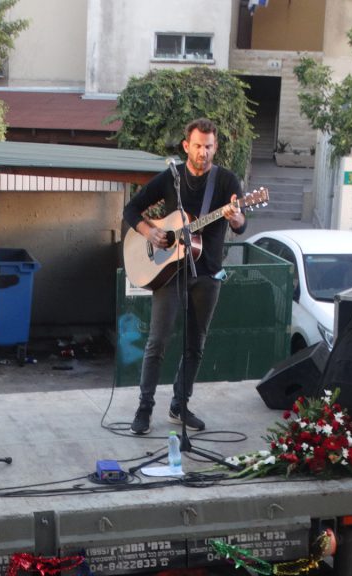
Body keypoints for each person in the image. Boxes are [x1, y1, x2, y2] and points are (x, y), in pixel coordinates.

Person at [122, 118, 247, 435]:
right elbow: (131, 209)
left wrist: (235, 217)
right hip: (169, 275)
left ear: (215, 147)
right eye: (198, 146)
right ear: (186, 146)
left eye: (209, 147)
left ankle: (179, 405)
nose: (204, 152)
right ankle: (144, 409)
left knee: (195, 345)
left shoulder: (226, 181)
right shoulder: (171, 178)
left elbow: (241, 225)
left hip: (208, 274)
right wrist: (150, 232)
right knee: (157, 343)